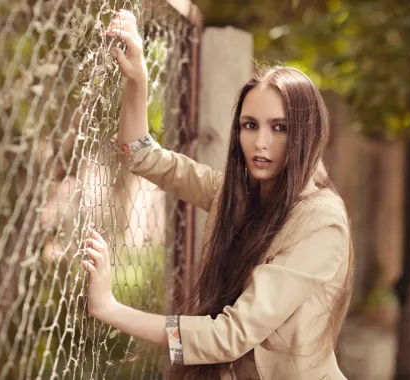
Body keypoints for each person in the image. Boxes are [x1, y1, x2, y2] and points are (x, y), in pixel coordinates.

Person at [77, 9, 354, 380]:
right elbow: (141, 155)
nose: (261, 142)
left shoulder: (321, 221)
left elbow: (229, 337)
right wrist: (138, 79)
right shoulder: (239, 193)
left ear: (306, 134)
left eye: (280, 128)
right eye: (249, 125)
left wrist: (111, 309)